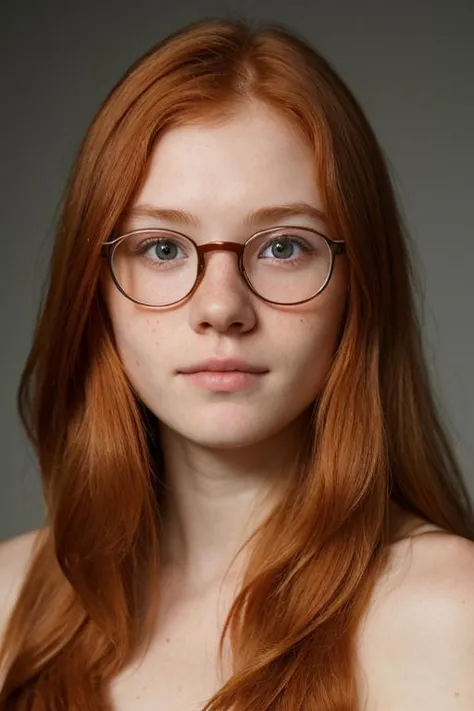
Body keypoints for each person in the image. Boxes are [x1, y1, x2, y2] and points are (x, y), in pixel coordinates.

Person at [0, 16, 473, 711]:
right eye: (162, 248)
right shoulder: (9, 604)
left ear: (360, 284)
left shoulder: (451, 616)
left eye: (283, 246)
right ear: (92, 285)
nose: (221, 307)